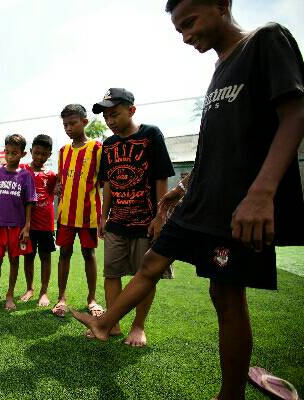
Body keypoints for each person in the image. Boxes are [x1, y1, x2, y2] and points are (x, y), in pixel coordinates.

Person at [72, 1, 304, 399]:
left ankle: (229, 394)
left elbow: (296, 112)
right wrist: (184, 188)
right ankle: (105, 322)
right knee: (150, 262)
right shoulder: (219, 69)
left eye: (190, 23)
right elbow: (218, 143)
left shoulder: (266, 41)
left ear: (221, 5)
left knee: (226, 294)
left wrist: (261, 193)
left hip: (237, 205)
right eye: (179, 29)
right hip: (200, 201)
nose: (185, 36)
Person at [92, 88, 175, 346]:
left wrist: (160, 215)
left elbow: (161, 176)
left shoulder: (151, 135)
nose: (110, 121)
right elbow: (107, 183)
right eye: (106, 117)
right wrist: (103, 216)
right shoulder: (108, 144)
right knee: (111, 273)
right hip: (117, 220)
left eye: (114, 114)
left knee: (144, 275)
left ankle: (138, 326)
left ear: (132, 110)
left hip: (145, 221)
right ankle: (112, 323)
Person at [52, 104, 103, 318]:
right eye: (65, 124)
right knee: (64, 254)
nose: (68, 128)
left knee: (88, 254)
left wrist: (104, 214)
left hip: (89, 214)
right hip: (65, 215)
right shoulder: (63, 152)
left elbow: (103, 181)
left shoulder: (97, 148)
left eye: (72, 123)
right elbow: (61, 181)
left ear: (84, 122)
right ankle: (61, 299)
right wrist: (57, 187)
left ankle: (92, 299)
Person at [0, 134, 37, 313]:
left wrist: (27, 226)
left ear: (22, 154)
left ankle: (9, 294)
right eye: (7, 152)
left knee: (14, 260)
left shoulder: (26, 176)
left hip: (16, 225)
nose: (9, 155)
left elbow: (30, 201)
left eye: (14, 153)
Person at [19, 134, 57, 307]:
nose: (40, 157)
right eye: (37, 153)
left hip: (45, 223)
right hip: (26, 224)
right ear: (31, 152)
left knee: (45, 257)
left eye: (44, 154)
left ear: (49, 155)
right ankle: (29, 288)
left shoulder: (51, 175)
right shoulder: (21, 169)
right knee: (28, 256)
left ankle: (44, 291)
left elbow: (53, 192)